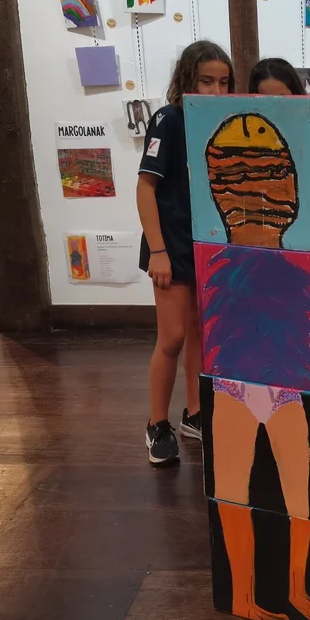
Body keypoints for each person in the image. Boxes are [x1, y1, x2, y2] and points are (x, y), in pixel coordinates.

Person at [136, 40, 233, 465]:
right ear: (187, 80)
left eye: (223, 82)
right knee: (172, 337)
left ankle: (194, 414)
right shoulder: (169, 119)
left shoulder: (220, 122)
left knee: (199, 333)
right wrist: (157, 251)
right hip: (170, 246)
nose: (216, 90)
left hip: (205, 246)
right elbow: (145, 188)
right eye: (206, 81)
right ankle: (157, 424)